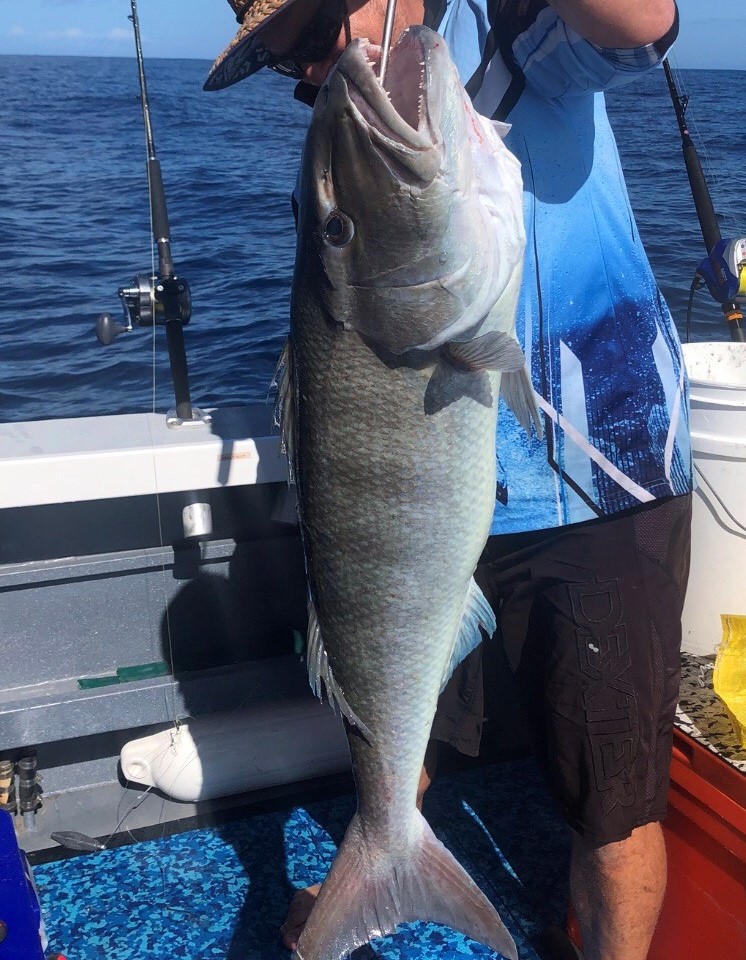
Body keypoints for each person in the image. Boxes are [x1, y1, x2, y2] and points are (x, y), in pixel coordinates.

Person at [204, 3, 693, 959]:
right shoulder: (351, 122)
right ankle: (381, 867)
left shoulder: (509, 22)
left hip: (595, 482)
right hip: (441, 506)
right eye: (283, 63)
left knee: (613, 797)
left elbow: (640, 18)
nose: (310, 74)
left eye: (308, 36)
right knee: (405, 736)